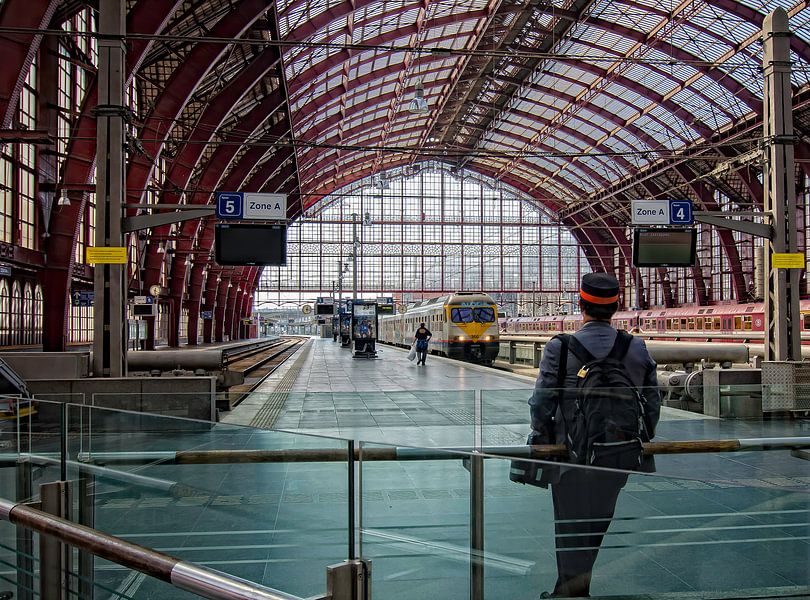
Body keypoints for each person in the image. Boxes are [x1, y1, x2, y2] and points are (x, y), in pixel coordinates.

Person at [528, 272, 660, 598]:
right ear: (615, 307)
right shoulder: (637, 347)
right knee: (597, 523)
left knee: (569, 528)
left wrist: (541, 436)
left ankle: (571, 593)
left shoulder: (560, 347)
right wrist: (638, 437)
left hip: (570, 455)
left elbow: (542, 400)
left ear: (581, 304)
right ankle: (571, 591)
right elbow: (652, 403)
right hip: (617, 453)